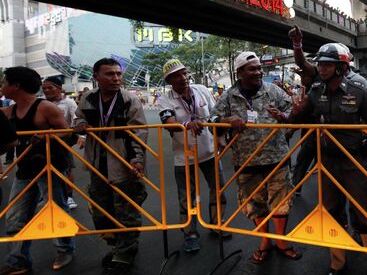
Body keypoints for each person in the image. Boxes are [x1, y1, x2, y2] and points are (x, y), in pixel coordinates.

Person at [290, 44, 367, 275]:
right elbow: (301, 119)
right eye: (320, 64)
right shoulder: (315, 90)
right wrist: (295, 112)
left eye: (327, 64)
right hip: (327, 162)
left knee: (364, 213)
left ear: (341, 67)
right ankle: (338, 264)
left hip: (354, 161)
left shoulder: (358, 90)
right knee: (330, 212)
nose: (321, 68)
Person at [214, 51, 301, 264]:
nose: (258, 72)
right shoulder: (228, 96)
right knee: (255, 205)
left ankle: (280, 241)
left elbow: (293, 113)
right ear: (240, 72)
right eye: (252, 69)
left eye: (259, 68)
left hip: (277, 157)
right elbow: (212, 119)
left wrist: (285, 117)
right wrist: (226, 120)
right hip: (246, 160)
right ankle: (265, 240)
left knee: (281, 203)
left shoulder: (273, 91)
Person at [74, 58, 147, 275]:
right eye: (109, 74)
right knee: (101, 212)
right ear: (96, 77)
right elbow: (79, 118)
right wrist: (80, 125)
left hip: (124, 165)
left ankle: (125, 253)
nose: (116, 78)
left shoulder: (129, 100)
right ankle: (118, 247)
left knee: (126, 211)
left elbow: (139, 132)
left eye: (118, 74)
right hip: (97, 166)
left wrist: (137, 160)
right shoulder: (87, 98)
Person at [0, 67, 75, 274]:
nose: (2, 86)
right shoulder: (9, 112)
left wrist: (47, 136)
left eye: (5, 81)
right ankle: (18, 260)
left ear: (16, 86)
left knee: (57, 209)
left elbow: (66, 133)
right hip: (25, 169)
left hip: (50, 167)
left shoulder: (46, 108)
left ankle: (65, 249)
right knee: (16, 215)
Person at [157, 59, 229, 253]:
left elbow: (214, 115)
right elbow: (169, 122)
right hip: (183, 157)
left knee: (218, 189)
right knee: (186, 197)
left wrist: (220, 135)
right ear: (169, 80)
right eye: (177, 76)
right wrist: (187, 125)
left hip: (209, 152)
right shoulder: (165, 99)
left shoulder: (201, 90)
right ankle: (190, 234)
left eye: (184, 73)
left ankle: (216, 224)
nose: (183, 78)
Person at [42, 76, 84, 210]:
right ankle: (47, 197)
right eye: (44, 88)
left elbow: (77, 118)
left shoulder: (69, 102)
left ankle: (69, 196)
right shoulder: (41, 103)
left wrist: (82, 136)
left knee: (66, 168)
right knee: (45, 170)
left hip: (63, 141)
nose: (47, 91)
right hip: (45, 142)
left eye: (50, 88)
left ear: (59, 89)